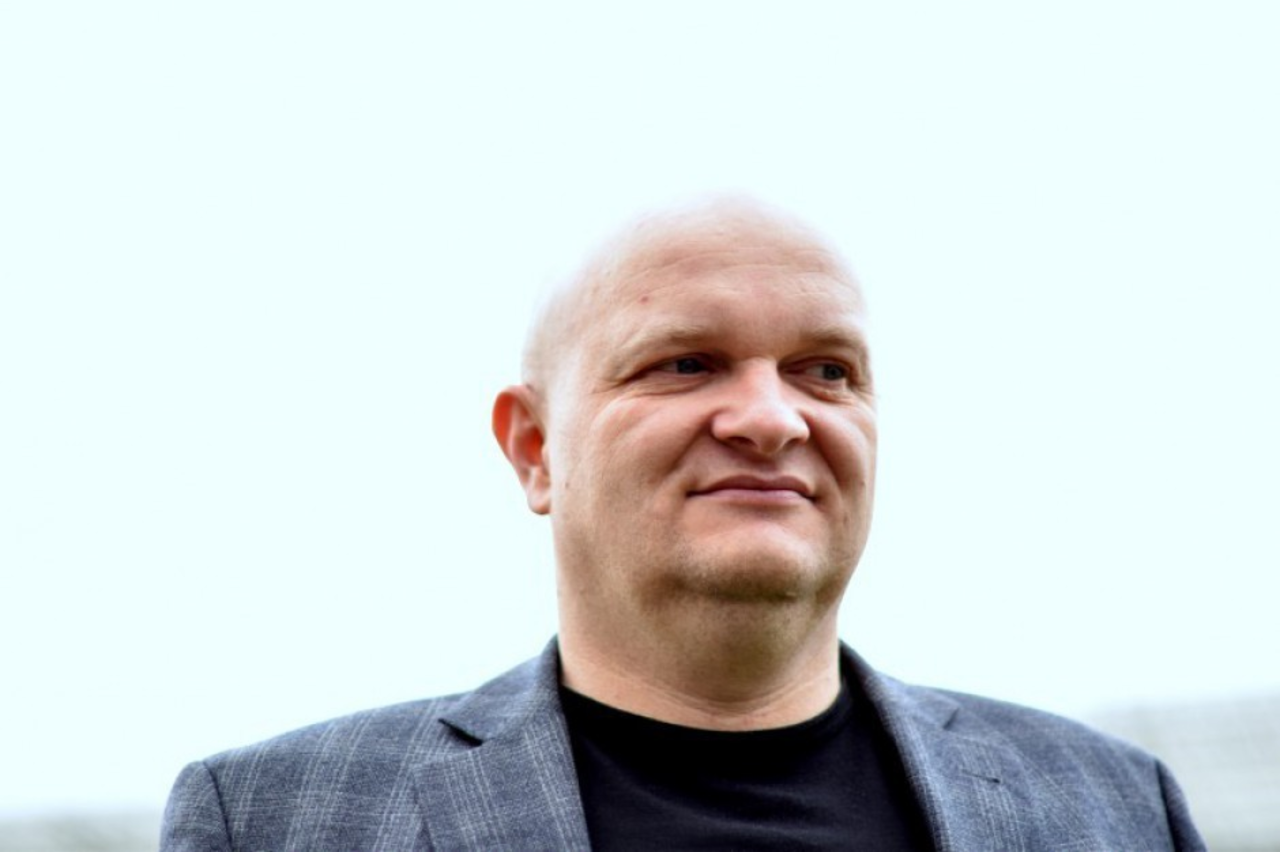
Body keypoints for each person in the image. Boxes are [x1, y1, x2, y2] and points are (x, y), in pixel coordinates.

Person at [160, 197, 1205, 851]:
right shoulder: (274, 821)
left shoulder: (1117, 808)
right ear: (534, 449)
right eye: (686, 363)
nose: (771, 418)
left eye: (825, 370)